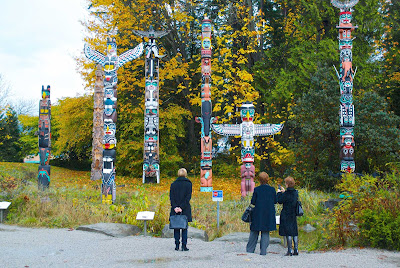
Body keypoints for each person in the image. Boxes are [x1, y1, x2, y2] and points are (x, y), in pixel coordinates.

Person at [246, 172, 277, 255]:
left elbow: (253, 202)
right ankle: (263, 251)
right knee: (265, 232)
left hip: (258, 213)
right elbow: (275, 201)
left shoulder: (257, 189)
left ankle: (250, 250)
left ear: (259, 180)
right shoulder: (272, 189)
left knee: (254, 231)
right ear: (267, 179)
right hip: (268, 213)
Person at [170, 168, 192, 251]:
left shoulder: (173, 184)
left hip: (174, 209)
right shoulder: (188, 184)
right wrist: (181, 207)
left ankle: (176, 245)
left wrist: (175, 207)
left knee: (176, 226)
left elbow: (171, 197)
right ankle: (184, 245)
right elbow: (188, 197)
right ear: (185, 174)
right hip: (185, 208)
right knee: (184, 227)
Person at [277, 176, 299, 256]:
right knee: (294, 231)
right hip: (293, 213)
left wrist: (279, 192)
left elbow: (279, 201)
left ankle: (289, 250)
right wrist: (284, 191)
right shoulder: (296, 192)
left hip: (286, 213)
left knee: (288, 231)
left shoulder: (285, 194)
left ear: (287, 184)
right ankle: (296, 249)